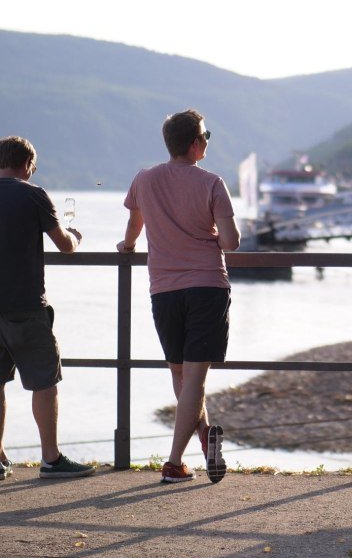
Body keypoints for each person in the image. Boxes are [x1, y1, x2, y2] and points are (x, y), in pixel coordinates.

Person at [117, 109, 240, 484]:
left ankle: (204, 438)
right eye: (206, 135)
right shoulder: (212, 182)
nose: (207, 141)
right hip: (206, 286)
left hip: (164, 290)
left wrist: (129, 244)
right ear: (194, 143)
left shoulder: (144, 178)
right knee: (196, 380)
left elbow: (135, 223)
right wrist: (215, 232)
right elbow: (231, 243)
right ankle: (173, 463)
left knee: (181, 375)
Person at [0, 136, 96, 479]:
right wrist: (77, 235)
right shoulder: (33, 194)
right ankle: (51, 459)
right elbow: (65, 245)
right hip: (25, 306)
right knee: (44, 382)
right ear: (27, 164)